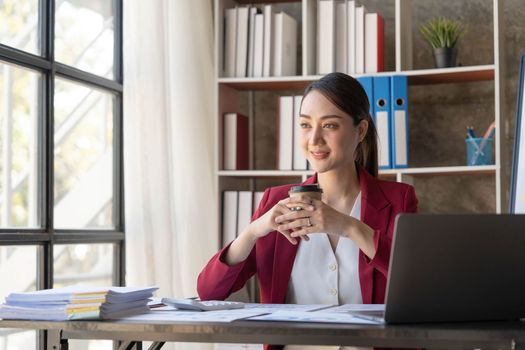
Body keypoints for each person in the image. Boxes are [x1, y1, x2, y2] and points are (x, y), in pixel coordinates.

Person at [197, 72, 418, 349]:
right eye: (305, 125)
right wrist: (252, 232)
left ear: (360, 131)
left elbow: (419, 289)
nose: (314, 139)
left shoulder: (399, 199)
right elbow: (208, 291)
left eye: (329, 126)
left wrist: (350, 227)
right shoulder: (275, 201)